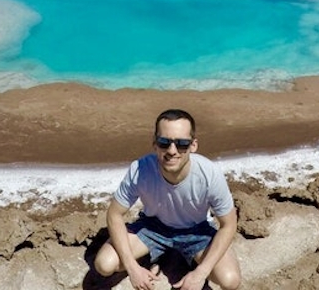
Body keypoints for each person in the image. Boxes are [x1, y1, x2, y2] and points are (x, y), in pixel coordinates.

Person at [94, 109, 242, 290]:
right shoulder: (140, 169)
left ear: (193, 145)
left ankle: (173, 259)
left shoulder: (209, 174)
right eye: (164, 142)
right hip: (153, 227)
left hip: (197, 231)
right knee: (104, 264)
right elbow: (114, 214)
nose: (172, 151)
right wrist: (133, 269)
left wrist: (200, 273)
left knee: (230, 280)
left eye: (181, 144)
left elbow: (229, 224)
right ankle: (155, 256)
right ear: (155, 144)